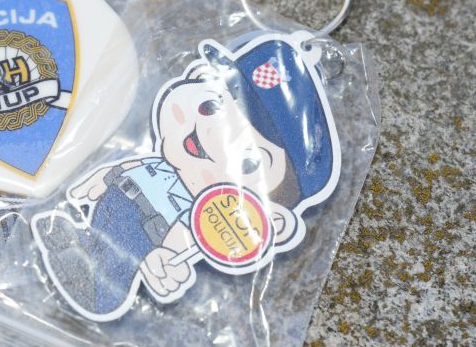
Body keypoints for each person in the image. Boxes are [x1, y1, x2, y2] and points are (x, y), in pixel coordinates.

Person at [33, 35, 337, 321]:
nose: (211, 134)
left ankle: (99, 294)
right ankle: (75, 247)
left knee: (117, 268)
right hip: (112, 204)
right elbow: (127, 168)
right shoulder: (157, 158)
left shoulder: (204, 214)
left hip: (148, 230)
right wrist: (101, 178)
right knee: (95, 240)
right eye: (211, 106)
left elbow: (187, 237)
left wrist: (165, 257)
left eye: (248, 162)